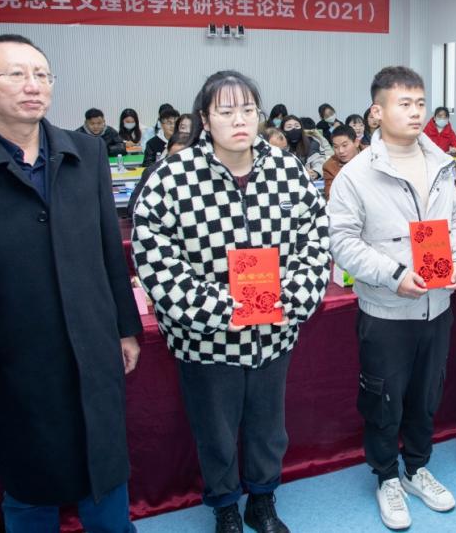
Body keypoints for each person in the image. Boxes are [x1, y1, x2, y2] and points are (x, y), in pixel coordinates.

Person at [0, 34, 142, 531]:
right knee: (29, 485)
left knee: (105, 472)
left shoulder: (86, 153)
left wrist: (125, 327)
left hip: (93, 347)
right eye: (16, 75)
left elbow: (108, 251)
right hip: (12, 360)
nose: (33, 86)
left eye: (42, 75)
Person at [132, 70, 330, 533]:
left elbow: (316, 243)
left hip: (273, 333)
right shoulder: (172, 178)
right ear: (205, 118)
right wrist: (222, 311)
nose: (239, 120)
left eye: (247, 110)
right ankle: (224, 506)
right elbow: (157, 261)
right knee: (215, 432)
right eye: (225, 111)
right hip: (206, 341)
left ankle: (262, 500)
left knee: (268, 428)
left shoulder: (288, 171)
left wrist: (290, 300)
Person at [328, 66, 456, 531]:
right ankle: (387, 476)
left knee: (427, 393)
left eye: (420, 103)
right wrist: (393, 275)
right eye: (403, 103)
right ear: (377, 111)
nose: (415, 112)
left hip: (438, 305)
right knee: (384, 399)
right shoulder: (356, 174)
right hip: (387, 310)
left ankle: (417, 468)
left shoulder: (442, 163)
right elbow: (342, 241)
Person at [127, 130, 193, 217]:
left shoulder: (197, 172)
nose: (177, 161)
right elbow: (133, 207)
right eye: (174, 157)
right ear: (167, 152)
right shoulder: (153, 172)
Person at [321, 124, 361, 200]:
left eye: (344, 145)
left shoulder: (371, 155)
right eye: (336, 147)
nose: (340, 151)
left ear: (356, 142)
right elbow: (331, 197)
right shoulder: (329, 166)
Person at [282, 115, 323, 180]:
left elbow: (319, 162)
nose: (294, 129)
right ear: (283, 131)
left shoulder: (312, 143)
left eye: (297, 126)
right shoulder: (280, 146)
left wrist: (315, 172)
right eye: (289, 127)